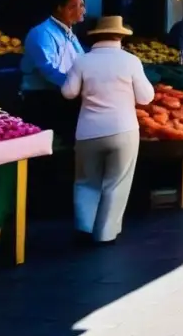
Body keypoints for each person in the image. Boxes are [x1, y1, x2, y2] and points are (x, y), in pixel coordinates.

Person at [61, 16, 153, 244]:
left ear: (96, 37)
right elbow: (145, 97)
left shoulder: (82, 61)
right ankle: (105, 234)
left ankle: (84, 227)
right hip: (124, 130)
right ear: (121, 37)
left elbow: (68, 92)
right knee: (116, 182)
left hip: (88, 131)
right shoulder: (131, 61)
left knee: (85, 180)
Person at [19, 0, 87, 136]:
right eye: (73, 6)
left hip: (63, 95)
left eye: (82, 5)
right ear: (59, 8)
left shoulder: (68, 32)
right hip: (43, 98)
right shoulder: (42, 33)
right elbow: (49, 70)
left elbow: (81, 60)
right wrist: (77, 87)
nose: (81, 10)